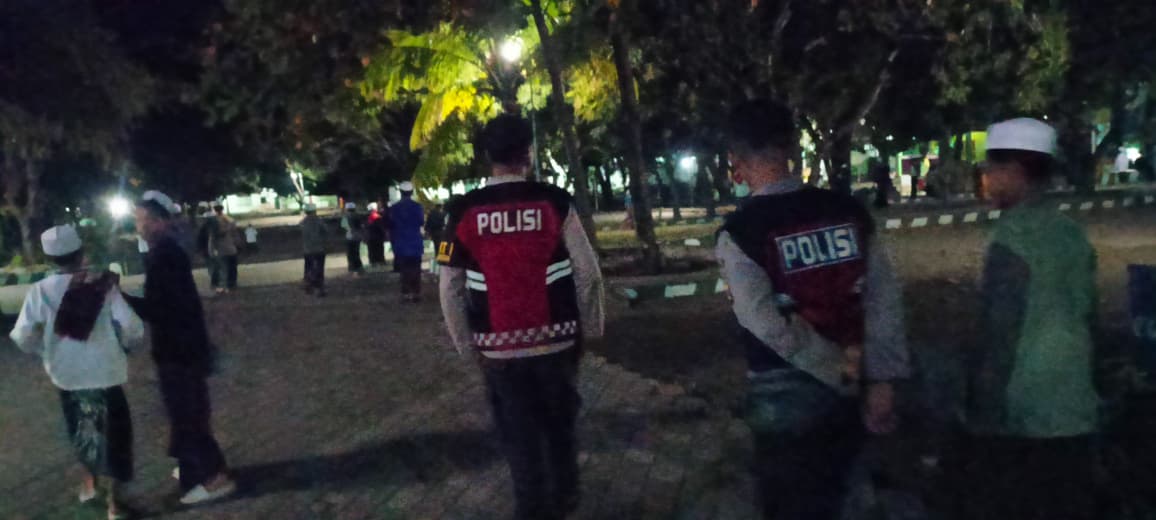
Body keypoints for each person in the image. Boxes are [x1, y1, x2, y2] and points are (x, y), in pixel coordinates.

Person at [715, 100, 910, 520]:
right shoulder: (849, 213)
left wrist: (834, 368)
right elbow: (883, 299)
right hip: (856, 382)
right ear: (791, 147)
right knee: (850, 495)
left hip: (783, 391)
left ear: (736, 161)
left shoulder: (739, 233)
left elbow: (765, 323)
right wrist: (880, 378)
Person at [439, 114, 605, 519]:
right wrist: (591, 328)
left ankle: (532, 509)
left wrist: (466, 345)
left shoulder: (462, 211)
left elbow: (449, 287)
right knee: (560, 427)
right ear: (528, 154)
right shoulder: (555, 201)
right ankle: (566, 497)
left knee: (520, 438)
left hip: (498, 350)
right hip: (558, 342)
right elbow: (588, 273)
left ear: (487, 156)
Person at [958, 118, 1100, 520]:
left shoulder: (1012, 238)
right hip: (1075, 400)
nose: (985, 179)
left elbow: (1000, 332)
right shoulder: (1070, 232)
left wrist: (981, 414)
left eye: (991, 169)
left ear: (1015, 172)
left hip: (1025, 409)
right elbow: (1089, 316)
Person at [10, 225, 145, 520]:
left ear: (49, 258)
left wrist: (45, 352)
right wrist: (123, 345)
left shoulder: (40, 291)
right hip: (106, 374)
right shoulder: (102, 285)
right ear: (81, 252)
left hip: (68, 378)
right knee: (117, 438)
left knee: (84, 433)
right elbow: (133, 327)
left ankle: (90, 489)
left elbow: (21, 337)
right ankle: (115, 504)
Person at [127, 191, 235, 506]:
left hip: (179, 350)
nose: (138, 226)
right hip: (182, 348)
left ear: (160, 221)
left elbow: (159, 309)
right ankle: (198, 467)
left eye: (142, 220)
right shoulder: (166, 252)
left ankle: (211, 478)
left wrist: (119, 296)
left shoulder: (165, 256)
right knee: (187, 413)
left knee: (188, 415)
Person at [390, 181, 425, 302]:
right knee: (416, 269)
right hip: (415, 242)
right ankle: (416, 293)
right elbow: (421, 222)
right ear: (411, 192)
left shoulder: (394, 208)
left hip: (400, 242)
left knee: (404, 270)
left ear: (401, 192)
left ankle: (406, 293)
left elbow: (390, 224)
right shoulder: (417, 207)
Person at [203, 204, 240, 295]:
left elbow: (213, 237)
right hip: (229, 248)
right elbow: (234, 231)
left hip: (221, 249)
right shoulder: (228, 220)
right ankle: (230, 284)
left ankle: (223, 285)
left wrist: (211, 250)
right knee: (230, 268)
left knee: (222, 268)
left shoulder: (214, 221)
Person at [300, 203, 328, 297]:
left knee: (309, 268)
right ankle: (320, 288)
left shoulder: (303, 222)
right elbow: (326, 231)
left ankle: (308, 286)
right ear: (315, 211)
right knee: (319, 269)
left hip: (307, 250)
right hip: (319, 249)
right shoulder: (319, 221)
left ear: (306, 211)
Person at [340, 202, 364, 275]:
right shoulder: (358, 216)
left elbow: (343, 226)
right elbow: (361, 226)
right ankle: (359, 267)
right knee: (356, 252)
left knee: (350, 253)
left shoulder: (345, 216)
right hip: (357, 236)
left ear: (347, 209)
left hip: (349, 236)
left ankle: (352, 268)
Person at [364, 202, 387, 269]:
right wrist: (384, 234)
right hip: (378, 236)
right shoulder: (377, 216)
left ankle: (373, 263)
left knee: (371, 251)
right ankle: (381, 262)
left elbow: (365, 227)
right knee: (379, 250)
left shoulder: (367, 217)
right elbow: (381, 227)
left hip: (370, 237)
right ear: (375, 209)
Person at [425, 204, 446, 276]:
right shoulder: (442, 214)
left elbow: (427, 224)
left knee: (436, 246)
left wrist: (428, 232)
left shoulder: (431, 214)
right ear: (440, 207)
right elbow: (444, 224)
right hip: (441, 232)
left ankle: (438, 260)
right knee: (442, 247)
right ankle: (441, 262)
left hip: (434, 233)